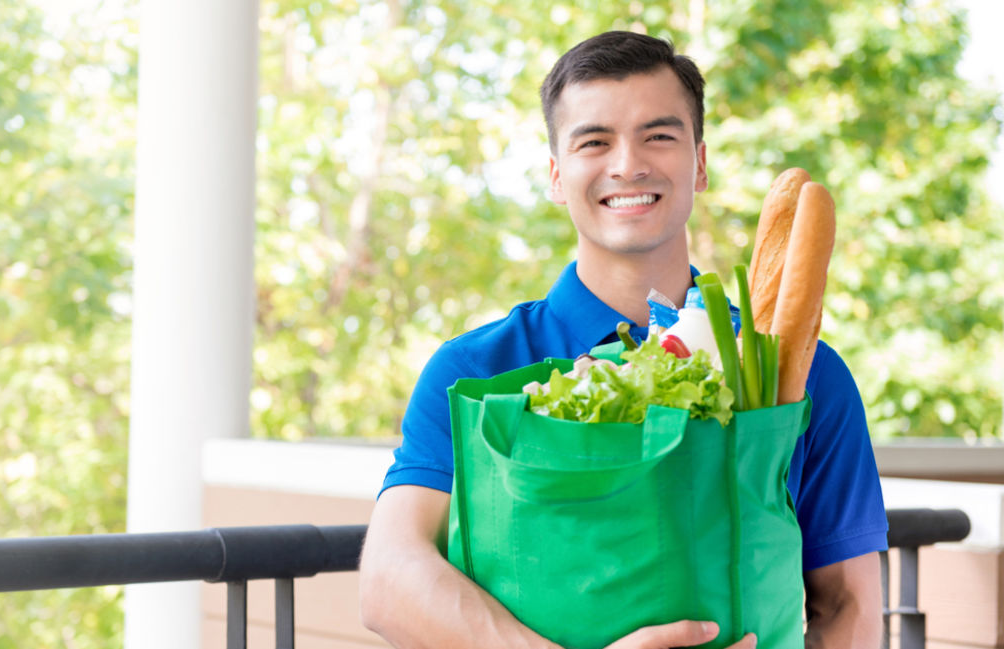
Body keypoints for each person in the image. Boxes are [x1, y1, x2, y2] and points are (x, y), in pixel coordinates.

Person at [358, 31, 887, 649]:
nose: (628, 164)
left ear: (700, 164)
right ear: (557, 176)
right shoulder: (474, 369)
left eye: (658, 136)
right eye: (594, 141)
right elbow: (389, 580)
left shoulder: (799, 373)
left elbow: (849, 604)